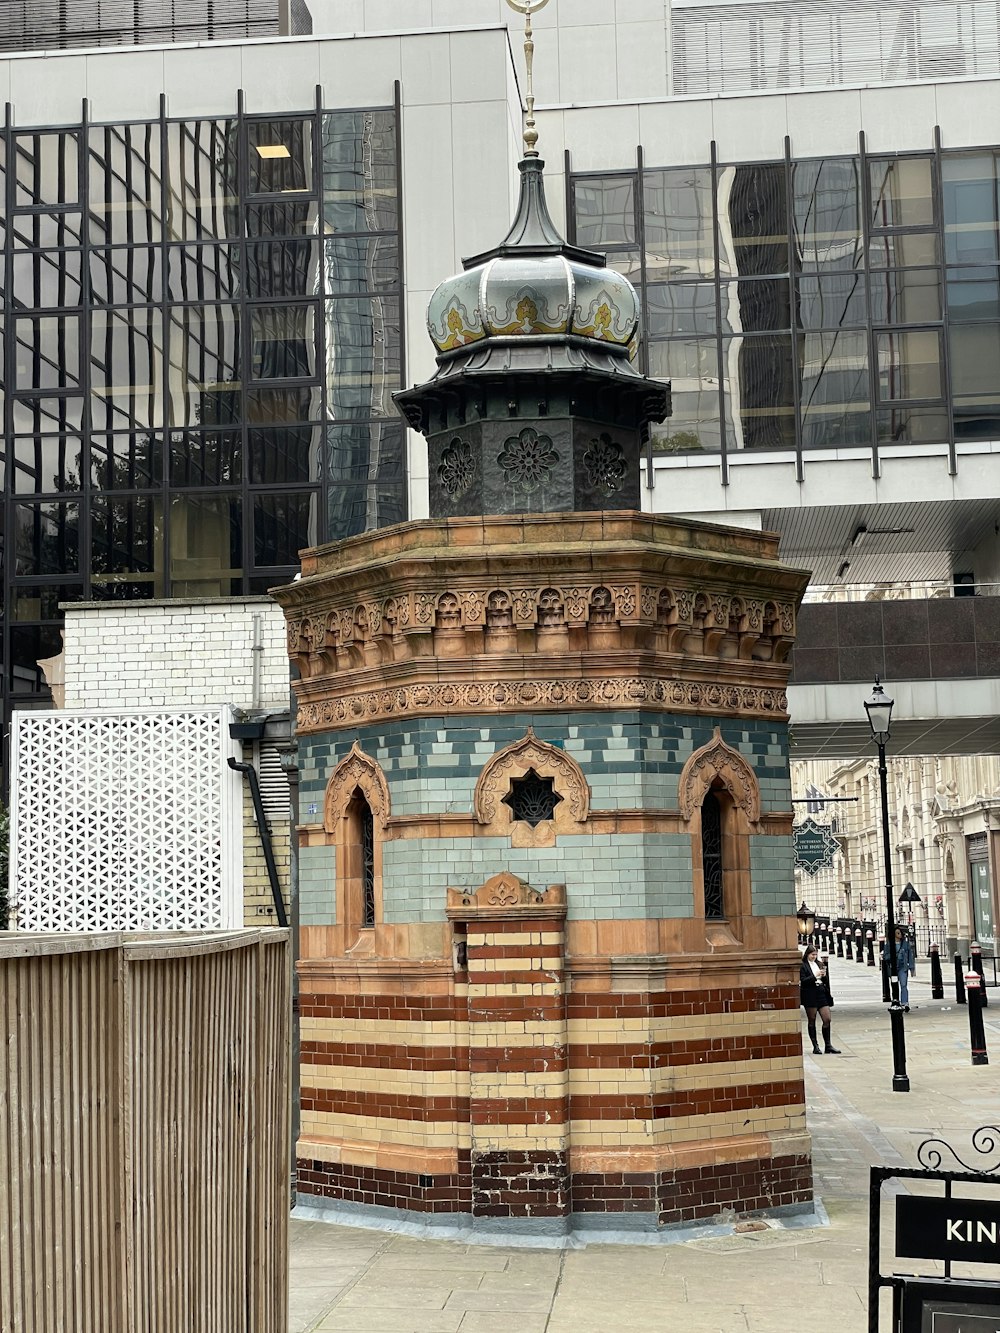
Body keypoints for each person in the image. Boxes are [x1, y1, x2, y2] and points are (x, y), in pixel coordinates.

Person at [800, 945, 840, 1054]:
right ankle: (815, 1046)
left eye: (815, 954)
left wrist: (824, 975)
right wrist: (815, 975)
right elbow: (803, 981)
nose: (814, 956)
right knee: (812, 1020)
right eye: (812, 954)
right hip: (810, 994)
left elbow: (826, 980)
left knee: (827, 1019)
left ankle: (828, 1045)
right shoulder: (803, 966)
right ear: (807, 954)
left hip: (821, 992)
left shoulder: (819, 964)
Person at [883, 926, 916, 1011]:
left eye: (900, 933)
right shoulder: (889, 945)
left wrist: (912, 968)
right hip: (893, 968)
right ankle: (896, 1001)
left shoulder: (905, 944)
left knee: (903, 985)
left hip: (903, 967)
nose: (900, 934)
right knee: (894, 985)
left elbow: (910, 956)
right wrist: (893, 956)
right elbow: (885, 956)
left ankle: (905, 1003)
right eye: (898, 933)